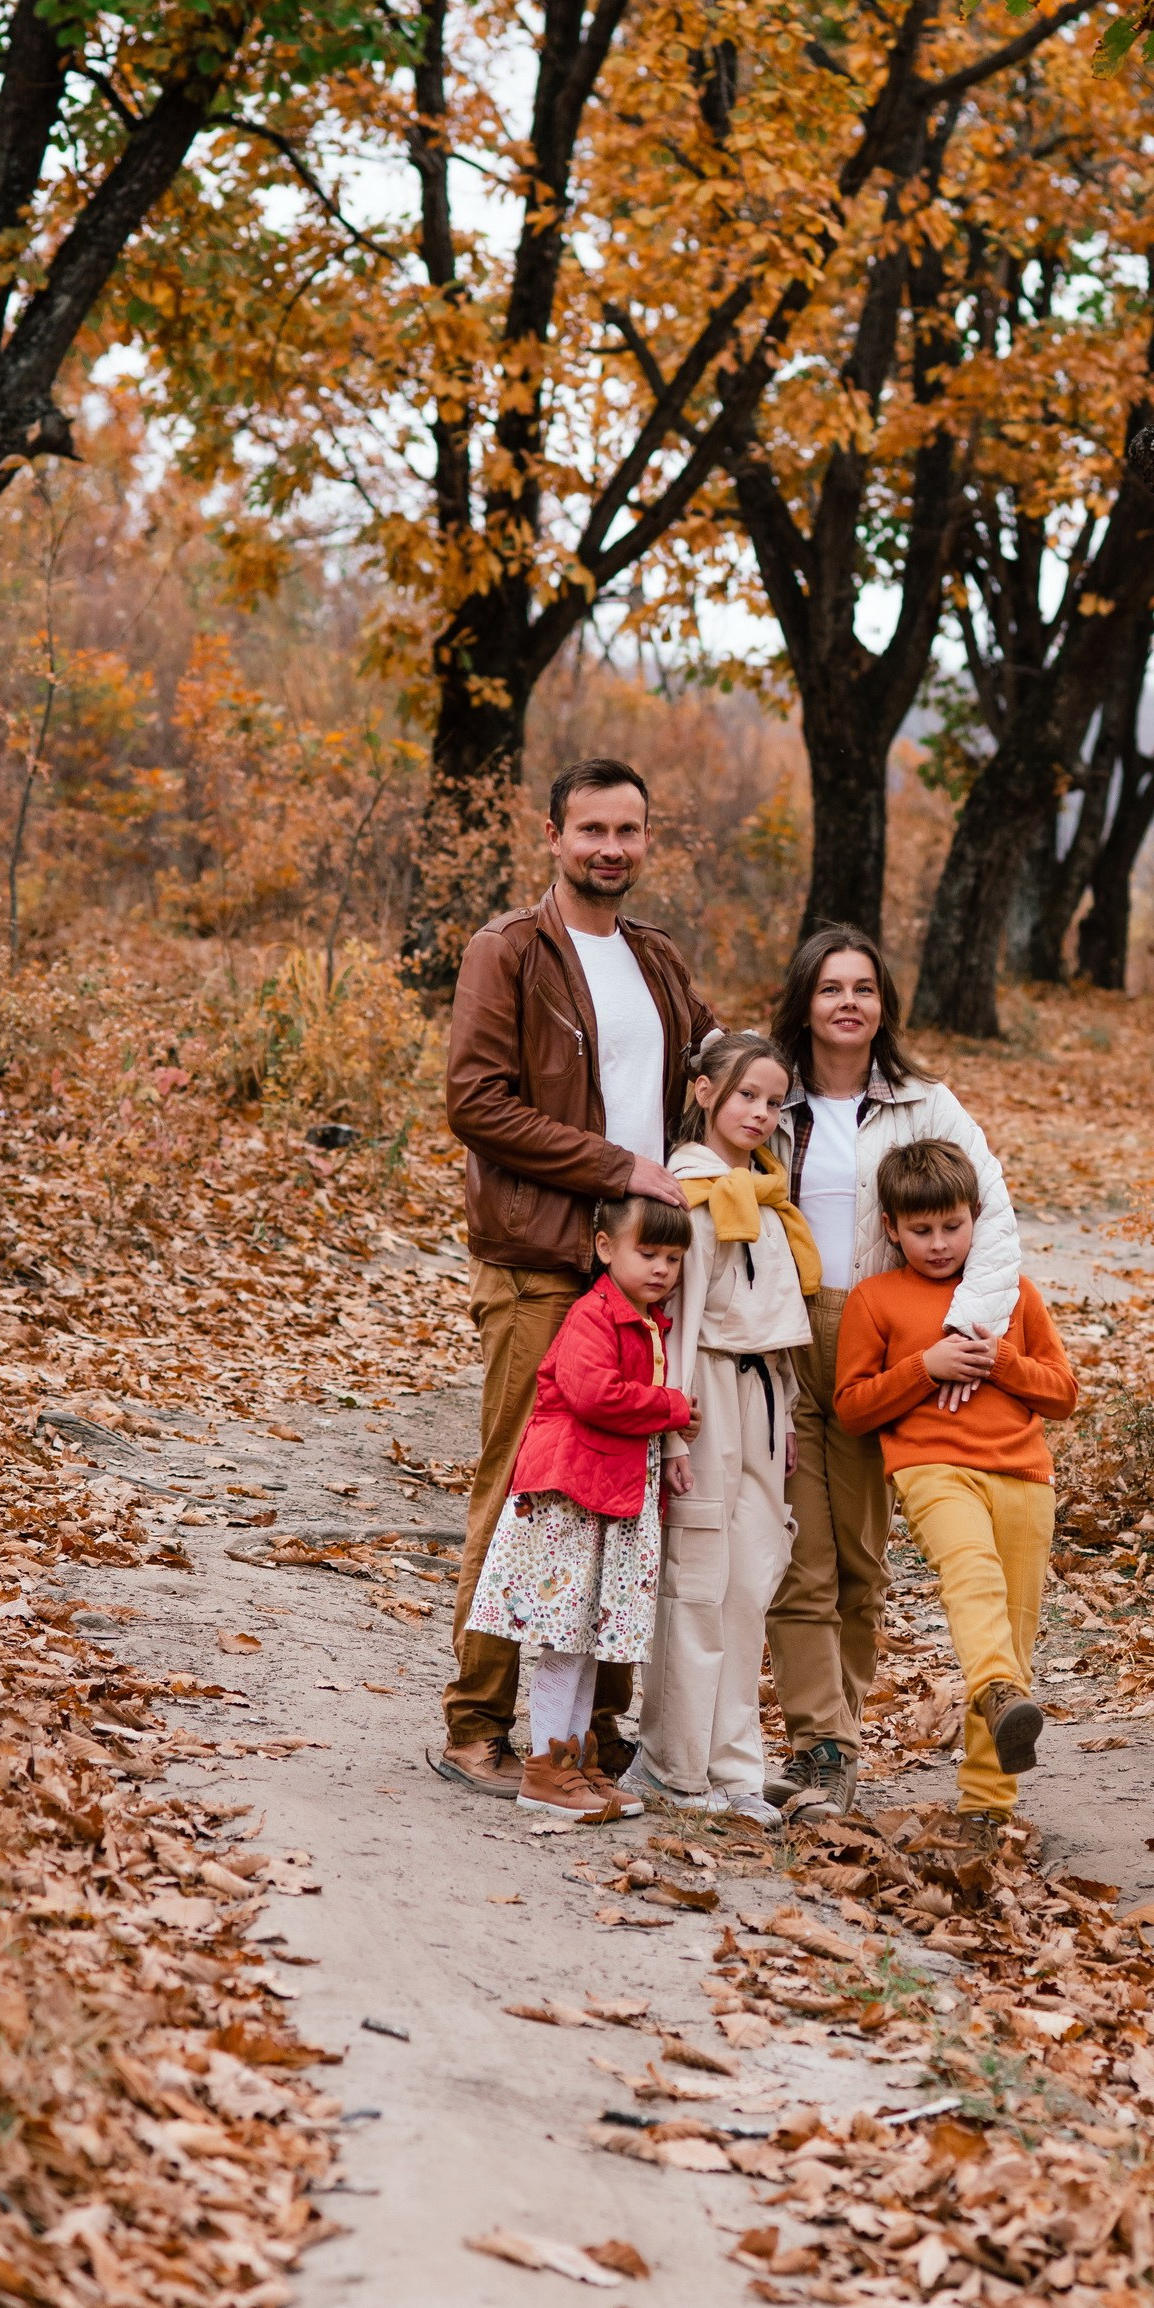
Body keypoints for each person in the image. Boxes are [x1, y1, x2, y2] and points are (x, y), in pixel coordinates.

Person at [436, 757, 717, 1798]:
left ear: (648, 840)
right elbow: (476, 1102)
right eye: (590, 829)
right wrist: (618, 1169)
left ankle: (586, 1737)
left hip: (644, 1276)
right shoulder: (507, 952)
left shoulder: (656, 959)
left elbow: (709, 1061)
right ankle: (476, 1728)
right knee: (523, 1488)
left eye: (628, 831)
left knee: (621, 1502)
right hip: (544, 1262)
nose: (610, 848)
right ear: (551, 835)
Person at [764, 924, 1021, 1813]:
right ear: (804, 1000)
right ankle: (820, 1745)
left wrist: (956, 1335)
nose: (847, 1002)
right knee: (801, 1553)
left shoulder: (925, 1103)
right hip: (784, 1336)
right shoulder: (769, 1098)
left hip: (885, 1339)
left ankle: (847, 1720)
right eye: (830, 986)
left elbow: (995, 1219)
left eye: (863, 988)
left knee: (863, 1560)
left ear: (884, 1005)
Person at [832, 1137, 1077, 1826]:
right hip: (932, 1466)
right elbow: (852, 1408)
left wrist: (1001, 1359)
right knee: (972, 1581)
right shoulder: (876, 1299)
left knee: (1015, 1630)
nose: (938, 1244)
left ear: (976, 1215)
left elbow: (1062, 1393)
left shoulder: (1011, 1293)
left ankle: (986, 1807)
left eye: (951, 1226)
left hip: (1024, 1474)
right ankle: (997, 1688)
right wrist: (925, 1367)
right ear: (891, 1228)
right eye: (920, 1230)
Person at [632, 1030, 818, 1823]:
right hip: (703, 1394)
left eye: (774, 1101)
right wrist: (672, 1428)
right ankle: (672, 1763)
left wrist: (791, 1414)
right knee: (698, 1578)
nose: (760, 1112)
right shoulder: (690, 1193)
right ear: (705, 1091)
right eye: (746, 1094)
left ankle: (736, 1765)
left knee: (751, 1578)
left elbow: (774, 1316)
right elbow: (670, 1319)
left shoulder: (766, 1195)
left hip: (765, 1396)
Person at [466, 1192, 695, 1827]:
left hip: (610, 1497)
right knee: (565, 1637)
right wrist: (672, 1407)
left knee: (592, 1637)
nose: (660, 1269)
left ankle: (579, 1759)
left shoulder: (650, 1323)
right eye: (646, 1253)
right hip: (572, 1495)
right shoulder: (592, 1316)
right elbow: (594, 1394)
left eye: (673, 1259)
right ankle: (545, 1766)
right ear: (604, 1249)